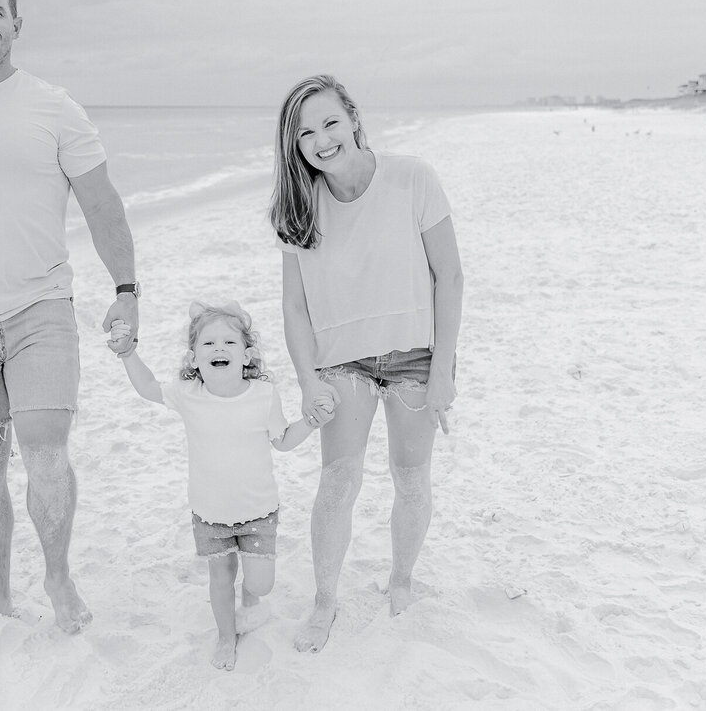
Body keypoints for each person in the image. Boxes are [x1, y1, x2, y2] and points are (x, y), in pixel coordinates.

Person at [0, 0, 138, 636]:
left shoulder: (54, 105)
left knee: (45, 449)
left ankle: (58, 576)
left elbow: (101, 203)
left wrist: (127, 289)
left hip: (38, 307)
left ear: (17, 24)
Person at [269, 74, 463, 651]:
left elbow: (448, 275)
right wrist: (307, 381)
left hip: (415, 358)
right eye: (305, 133)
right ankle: (324, 601)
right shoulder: (298, 205)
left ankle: (401, 580)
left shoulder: (412, 178)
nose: (321, 139)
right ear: (294, 145)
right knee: (338, 481)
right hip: (342, 362)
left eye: (330, 122)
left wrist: (445, 370)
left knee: (411, 479)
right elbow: (294, 304)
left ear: (353, 117)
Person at [107, 302, 330, 671]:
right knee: (220, 580)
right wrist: (128, 353)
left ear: (247, 355)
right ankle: (226, 637)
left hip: (259, 511)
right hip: (210, 514)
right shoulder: (188, 394)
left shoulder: (263, 395)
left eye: (229, 341)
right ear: (193, 358)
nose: (218, 349)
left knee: (261, 585)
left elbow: (284, 440)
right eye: (208, 344)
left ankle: (251, 600)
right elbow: (148, 387)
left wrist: (311, 422)